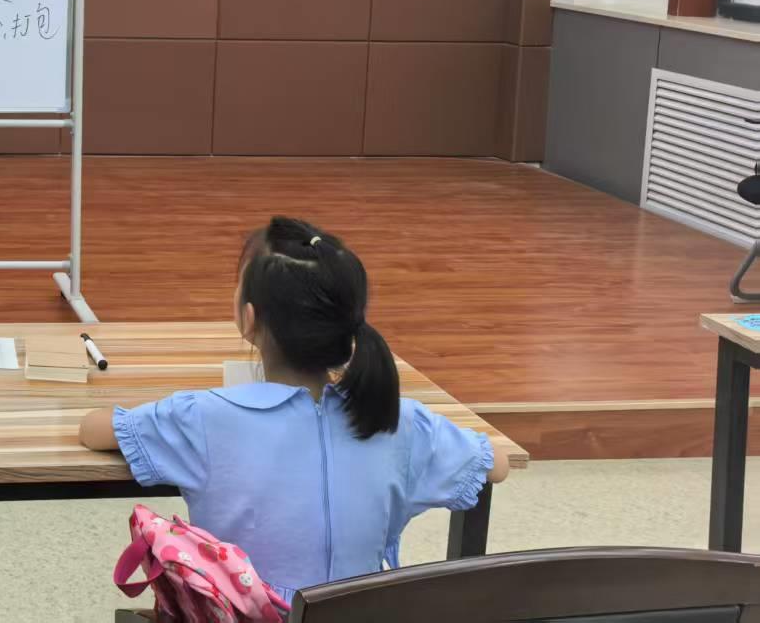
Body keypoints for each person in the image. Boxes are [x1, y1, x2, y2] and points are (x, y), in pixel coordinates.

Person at [79, 216, 508, 599]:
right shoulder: (401, 420)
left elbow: (95, 430)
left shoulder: (201, 417)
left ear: (249, 320)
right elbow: (497, 464)